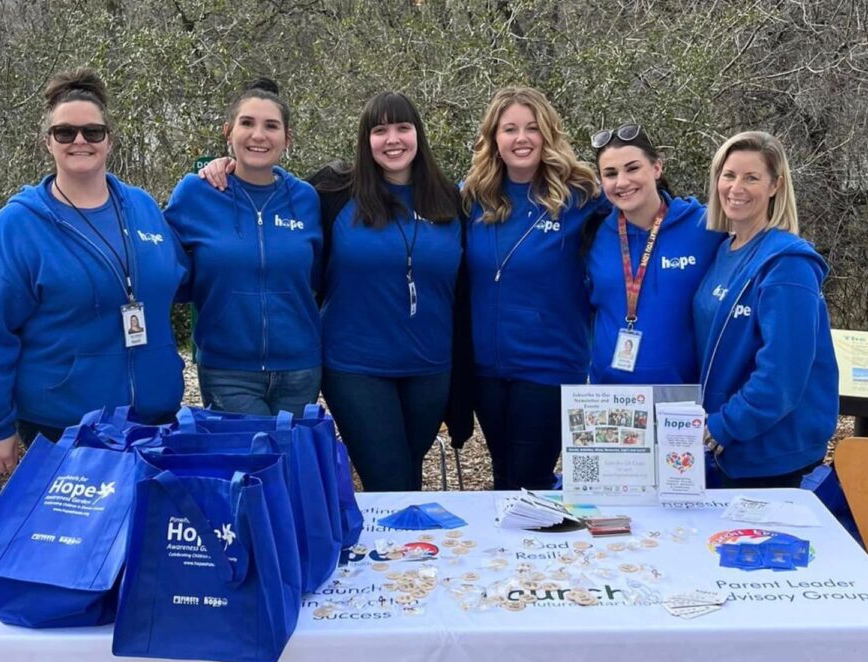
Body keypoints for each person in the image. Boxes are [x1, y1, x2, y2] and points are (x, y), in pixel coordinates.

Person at [201, 91, 469, 491]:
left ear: (419, 135)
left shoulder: (450, 198)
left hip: (431, 366)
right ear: (366, 139)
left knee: (408, 474)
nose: (392, 139)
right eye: (380, 131)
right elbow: (268, 189)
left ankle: (403, 549)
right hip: (355, 366)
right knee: (390, 480)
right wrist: (226, 166)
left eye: (403, 128)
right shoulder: (332, 192)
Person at [0, 68, 188, 475]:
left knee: (143, 535)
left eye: (92, 132)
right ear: (47, 141)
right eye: (65, 132)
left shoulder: (142, 207)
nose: (79, 141)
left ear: (109, 140)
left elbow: (181, 277)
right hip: (64, 426)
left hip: (155, 419)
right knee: (81, 540)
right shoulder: (18, 227)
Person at [460, 87, 605, 490]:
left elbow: (644, 205)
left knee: (528, 480)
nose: (521, 138)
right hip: (487, 371)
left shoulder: (583, 196)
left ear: (547, 135)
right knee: (505, 477)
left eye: (531, 128)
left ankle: (539, 551)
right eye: (509, 129)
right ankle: (513, 554)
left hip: (550, 367)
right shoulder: (472, 197)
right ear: (494, 139)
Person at [164, 78, 322, 415]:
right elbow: (165, 268)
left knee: (290, 465)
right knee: (250, 466)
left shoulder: (306, 198)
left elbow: (320, 274)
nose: (258, 135)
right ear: (228, 132)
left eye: (271, 126)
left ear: (287, 138)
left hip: (300, 369)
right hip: (228, 370)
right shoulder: (196, 193)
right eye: (247, 123)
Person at [694, 130, 838, 488]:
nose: (735, 187)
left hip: (767, 454)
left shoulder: (787, 265)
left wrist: (725, 426)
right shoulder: (723, 251)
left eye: (751, 177)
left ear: (775, 185)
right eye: (728, 175)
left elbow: (782, 375)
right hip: (726, 449)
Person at [584, 124, 724, 385]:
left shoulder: (706, 227)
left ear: (657, 168)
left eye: (633, 168)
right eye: (610, 174)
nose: (622, 182)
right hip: (610, 401)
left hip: (682, 400)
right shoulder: (592, 234)